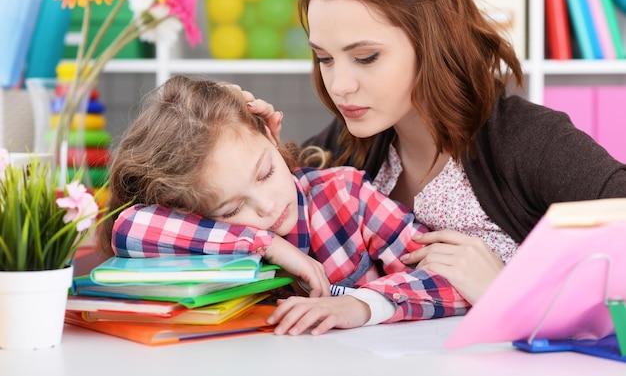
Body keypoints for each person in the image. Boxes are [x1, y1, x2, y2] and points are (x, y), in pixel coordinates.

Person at [236, 0, 626, 305]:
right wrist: (238, 143)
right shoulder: (348, 144)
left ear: (431, 42)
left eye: (365, 57)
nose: (339, 85)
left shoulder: (530, 141)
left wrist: (507, 289)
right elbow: (200, 219)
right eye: (324, 58)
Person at [99, 75, 469, 336]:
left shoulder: (345, 198)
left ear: (270, 135)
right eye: (230, 210)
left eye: (265, 173)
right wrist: (266, 245)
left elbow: (452, 280)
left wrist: (364, 305)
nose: (267, 207)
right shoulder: (201, 232)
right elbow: (127, 227)